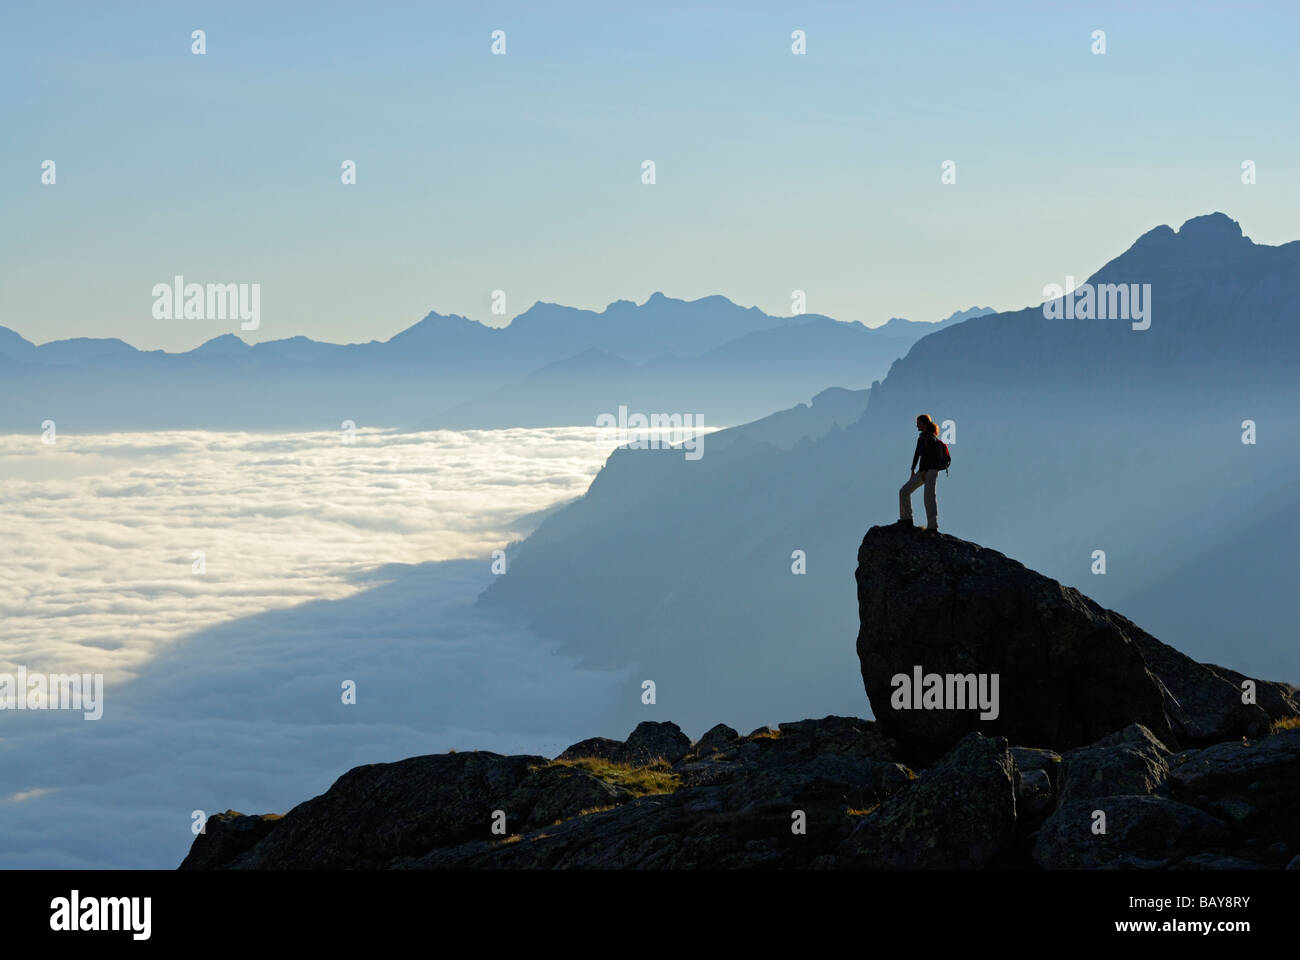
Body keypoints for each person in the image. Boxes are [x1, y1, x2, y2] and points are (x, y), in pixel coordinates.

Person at [899, 414, 941, 533]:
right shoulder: (922, 437)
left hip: (931, 471)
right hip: (923, 471)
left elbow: (932, 456)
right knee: (904, 491)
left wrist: (926, 471)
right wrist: (913, 469)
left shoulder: (931, 438)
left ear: (924, 424)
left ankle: (932, 527)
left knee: (929, 497)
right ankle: (906, 519)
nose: (916, 426)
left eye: (918, 423)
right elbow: (917, 454)